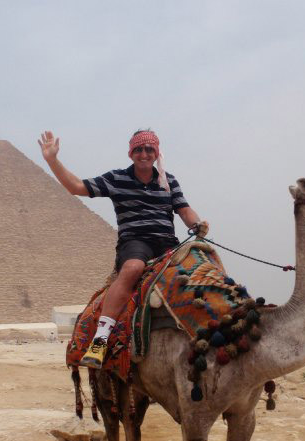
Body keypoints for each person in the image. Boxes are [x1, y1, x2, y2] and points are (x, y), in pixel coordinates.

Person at [39, 129, 207, 369]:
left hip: (168, 244)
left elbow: (184, 210)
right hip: (135, 242)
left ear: (157, 153)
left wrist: (197, 224)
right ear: (131, 153)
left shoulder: (168, 181)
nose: (144, 154)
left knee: (203, 268)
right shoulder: (117, 179)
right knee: (133, 268)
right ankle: (100, 339)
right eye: (138, 149)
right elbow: (76, 186)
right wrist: (52, 160)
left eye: (149, 149)